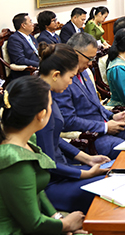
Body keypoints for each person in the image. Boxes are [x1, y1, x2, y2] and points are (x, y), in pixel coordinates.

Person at [0, 75, 86, 235]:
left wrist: (57, 218)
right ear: (41, 114)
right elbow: (34, 224)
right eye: (51, 105)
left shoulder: (22, 139)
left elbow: (36, 189)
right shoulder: (12, 158)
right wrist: (65, 225)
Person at [33, 45, 110, 215]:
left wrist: (87, 158)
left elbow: (55, 139)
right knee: (113, 184)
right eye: (70, 77)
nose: (70, 82)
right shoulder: (39, 104)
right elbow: (48, 163)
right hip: (52, 184)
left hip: (64, 171)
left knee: (118, 171)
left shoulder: (45, 93)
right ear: (55, 75)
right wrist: (85, 174)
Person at [54, 32, 125, 159]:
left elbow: (96, 104)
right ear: (75, 53)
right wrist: (104, 127)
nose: (91, 63)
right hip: (91, 136)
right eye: (89, 58)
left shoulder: (84, 72)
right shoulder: (62, 81)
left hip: (106, 125)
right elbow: (68, 121)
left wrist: (112, 116)